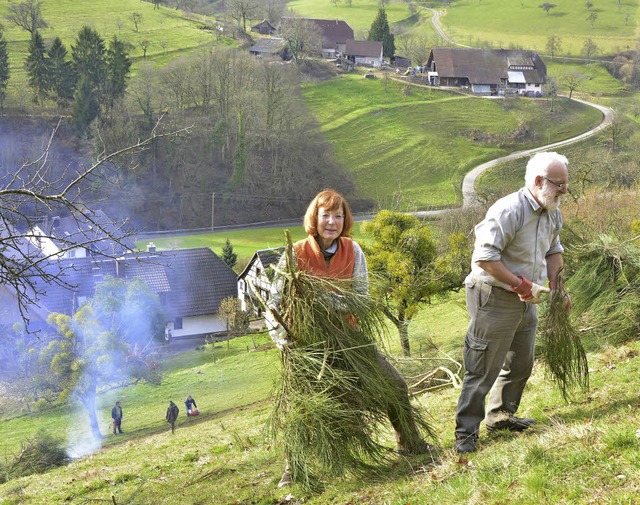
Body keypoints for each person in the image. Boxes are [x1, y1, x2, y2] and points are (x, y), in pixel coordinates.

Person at [267, 189, 434, 487]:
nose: (332, 222)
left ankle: (410, 444)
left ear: (345, 220)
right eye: (325, 215)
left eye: (338, 216)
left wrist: (322, 300)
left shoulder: (354, 251)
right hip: (308, 346)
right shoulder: (295, 253)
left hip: (349, 339)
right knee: (302, 406)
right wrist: (282, 340)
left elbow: (360, 299)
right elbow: (274, 303)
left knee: (394, 383)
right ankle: (294, 471)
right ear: (314, 219)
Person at [454, 151, 571, 454]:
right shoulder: (509, 209)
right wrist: (521, 286)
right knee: (482, 367)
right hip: (492, 296)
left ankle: (501, 417)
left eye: (565, 185)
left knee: (521, 362)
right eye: (559, 185)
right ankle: (466, 434)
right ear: (538, 181)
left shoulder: (552, 211)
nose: (564, 191)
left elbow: (553, 250)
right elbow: (485, 257)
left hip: (526, 297)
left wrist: (558, 289)